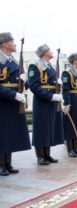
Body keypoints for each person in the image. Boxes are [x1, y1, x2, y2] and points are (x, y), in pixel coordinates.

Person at [0, 32, 31, 176]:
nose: (14, 44)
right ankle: (1, 164)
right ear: (4, 43)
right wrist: (14, 94)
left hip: (14, 101)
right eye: (12, 41)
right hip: (2, 101)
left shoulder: (14, 61)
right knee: (2, 133)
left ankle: (8, 162)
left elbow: (24, 84)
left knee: (10, 132)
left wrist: (25, 82)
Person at [28, 44, 64, 165]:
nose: (51, 51)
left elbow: (52, 84)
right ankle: (40, 156)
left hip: (51, 101)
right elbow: (34, 86)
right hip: (42, 101)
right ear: (44, 53)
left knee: (49, 127)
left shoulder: (50, 67)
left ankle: (47, 154)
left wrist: (59, 86)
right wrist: (51, 96)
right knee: (41, 128)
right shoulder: (35, 66)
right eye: (49, 50)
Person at [62, 53, 77, 157]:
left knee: (76, 124)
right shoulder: (67, 73)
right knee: (69, 125)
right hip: (71, 100)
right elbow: (65, 89)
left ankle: (75, 148)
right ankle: (70, 149)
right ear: (75, 61)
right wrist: (67, 103)